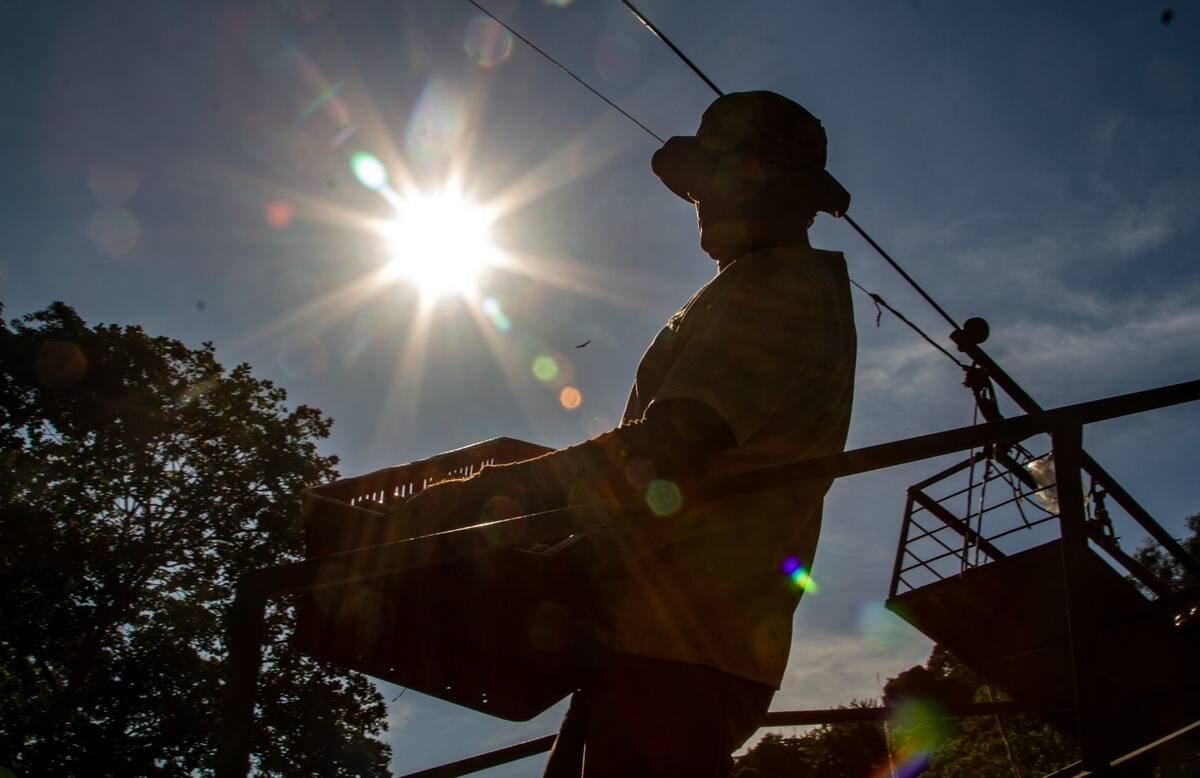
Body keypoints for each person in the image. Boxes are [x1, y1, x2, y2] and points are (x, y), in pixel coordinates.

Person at [395, 91, 857, 777]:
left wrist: (488, 492)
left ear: (754, 174)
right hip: (665, 634)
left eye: (705, 182)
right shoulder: (770, 285)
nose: (696, 200)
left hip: (680, 646)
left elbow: (669, 447)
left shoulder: (773, 289)